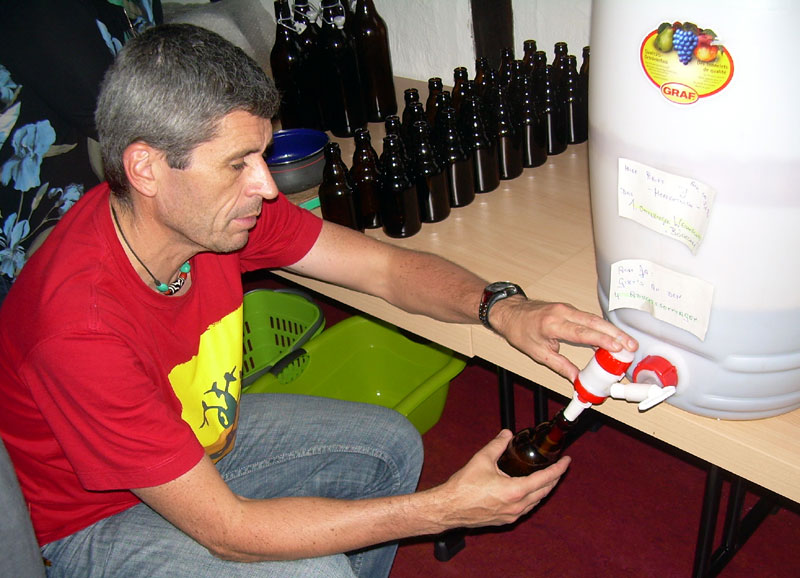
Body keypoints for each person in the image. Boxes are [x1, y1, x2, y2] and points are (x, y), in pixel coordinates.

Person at [0, 24, 638, 577]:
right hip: (92, 521)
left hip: (193, 436)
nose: (268, 187)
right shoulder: (79, 328)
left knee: (389, 446)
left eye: (264, 154)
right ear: (145, 169)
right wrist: (443, 508)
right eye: (238, 163)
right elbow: (229, 532)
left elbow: (383, 268)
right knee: (315, 571)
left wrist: (500, 307)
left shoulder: (207, 219)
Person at [0, 0, 162, 306]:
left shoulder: (137, 5)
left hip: (124, 218)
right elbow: (127, 125)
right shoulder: (42, 11)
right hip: (53, 237)